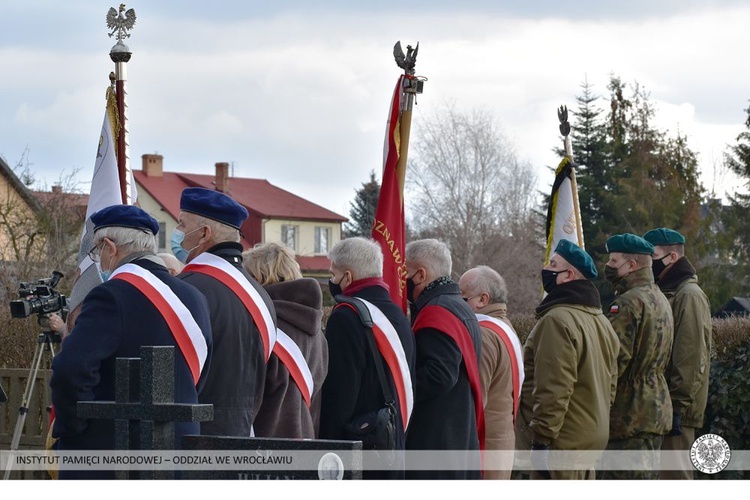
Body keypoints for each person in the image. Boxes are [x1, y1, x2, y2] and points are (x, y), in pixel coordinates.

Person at [49, 205, 212, 479]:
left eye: (97, 251)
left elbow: (71, 369)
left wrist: (74, 427)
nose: (99, 259)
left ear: (110, 247)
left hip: (111, 449)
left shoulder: (109, 295)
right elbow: (199, 373)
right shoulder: (194, 296)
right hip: (177, 447)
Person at [175, 187, 277, 437]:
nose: (177, 233)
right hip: (242, 438)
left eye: (181, 224)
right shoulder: (261, 294)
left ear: (203, 234)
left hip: (193, 440)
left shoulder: (186, 289)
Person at [517, 239, 619, 480]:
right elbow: (611, 386)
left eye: (553, 264)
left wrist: (540, 442)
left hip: (561, 446)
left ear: (567, 275)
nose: (547, 268)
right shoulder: (602, 321)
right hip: (587, 442)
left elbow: (553, 389)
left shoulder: (557, 320)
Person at [318, 237, 415, 480]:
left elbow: (339, 396)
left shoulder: (346, 317)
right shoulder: (398, 315)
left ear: (348, 278)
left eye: (333, 274)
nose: (331, 281)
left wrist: (327, 453)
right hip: (391, 443)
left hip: (357, 449)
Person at [404, 238, 483, 480]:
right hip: (457, 432)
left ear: (420, 274)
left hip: (436, 439)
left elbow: (440, 375)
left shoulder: (436, 312)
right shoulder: (460, 306)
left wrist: (398, 388)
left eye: (404, 271)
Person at [601, 233, 674, 480]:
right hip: (655, 409)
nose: (608, 267)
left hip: (628, 414)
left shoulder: (628, 304)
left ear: (631, 265)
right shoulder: (659, 298)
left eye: (613, 261)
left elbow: (612, 363)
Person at [643, 228, 712, 480]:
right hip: (665, 406)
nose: (646, 263)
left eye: (652, 256)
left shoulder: (688, 295)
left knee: (676, 479)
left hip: (677, 409)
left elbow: (691, 357)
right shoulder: (666, 293)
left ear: (671, 257)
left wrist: (678, 407)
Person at [242, 242, 328, 439]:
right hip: (306, 439)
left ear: (258, 278)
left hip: (264, 447)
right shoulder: (317, 333)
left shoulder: (261, 328)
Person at [458, 265, 523, 480]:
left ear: (482, 300)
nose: (458, 303)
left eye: (463, 297)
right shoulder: (505, 326)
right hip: (502, 440)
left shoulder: (484, 335)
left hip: (486, 444)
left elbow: (477, 398)